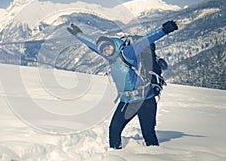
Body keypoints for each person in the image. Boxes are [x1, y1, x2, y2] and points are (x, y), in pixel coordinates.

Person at [67, 21, 178, 149]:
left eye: (108, 48)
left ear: (113, 45)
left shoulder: (127, 53)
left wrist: (165, 30)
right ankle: (116, 155)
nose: (106, 51)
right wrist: (78, 34)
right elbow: (92, 43)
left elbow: (145, 40)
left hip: (145, 100)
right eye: (103, 50)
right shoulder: (109, 57)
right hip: (127, 101)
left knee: (148, 134)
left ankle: (154, 156)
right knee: (114, 129)